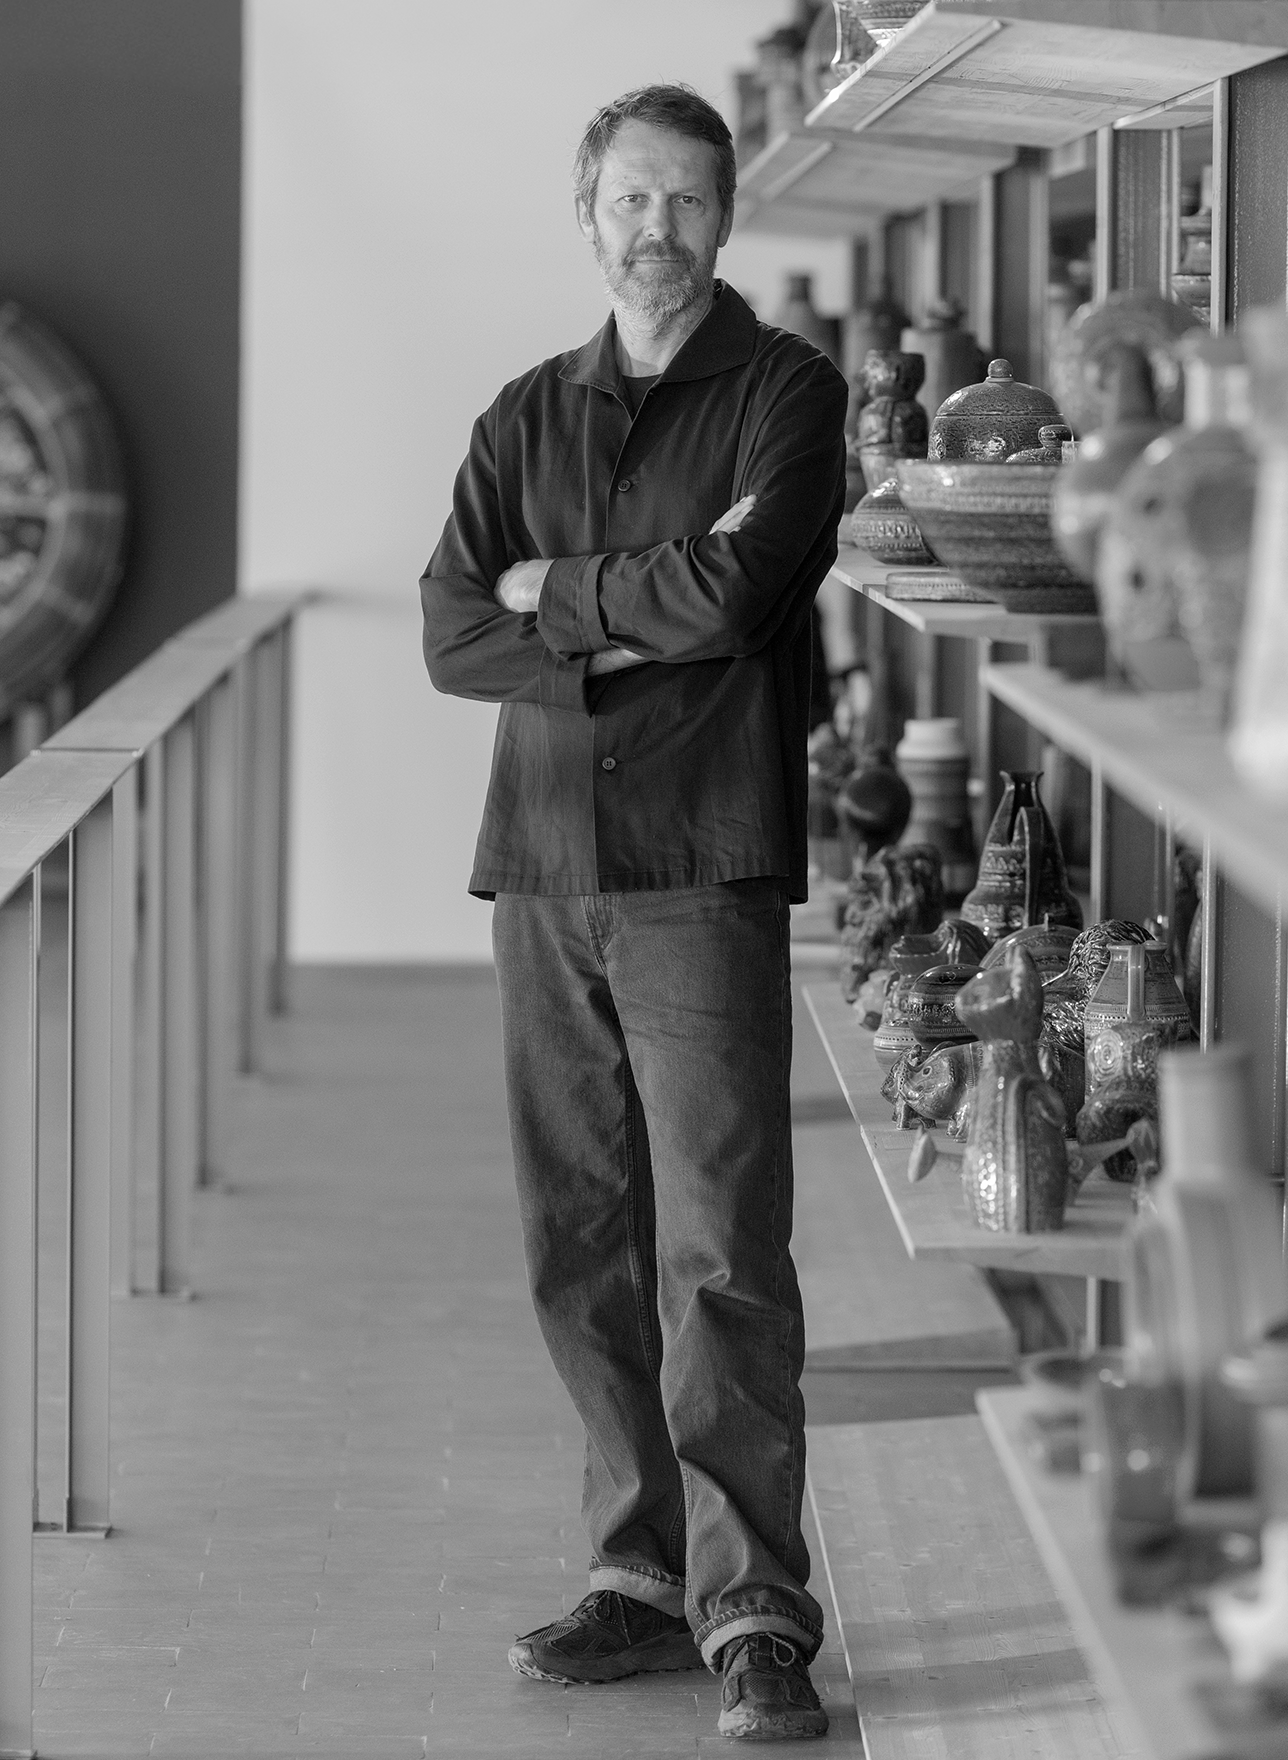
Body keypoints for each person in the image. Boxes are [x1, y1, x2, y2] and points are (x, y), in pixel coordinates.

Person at [421, 83, 847, 1743]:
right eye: (630, 200)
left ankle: (757, 1612)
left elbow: (740, 594)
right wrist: (624, 612)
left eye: (685, 201)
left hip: (699, 866)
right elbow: (452, 632)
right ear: (587, 214)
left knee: (719, 1246)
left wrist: (557, 594)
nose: (656, 229)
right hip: (541, 866)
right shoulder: (525, 414)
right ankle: (637, 1574)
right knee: (579, 1239)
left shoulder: (787, 393)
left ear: (724, 216)